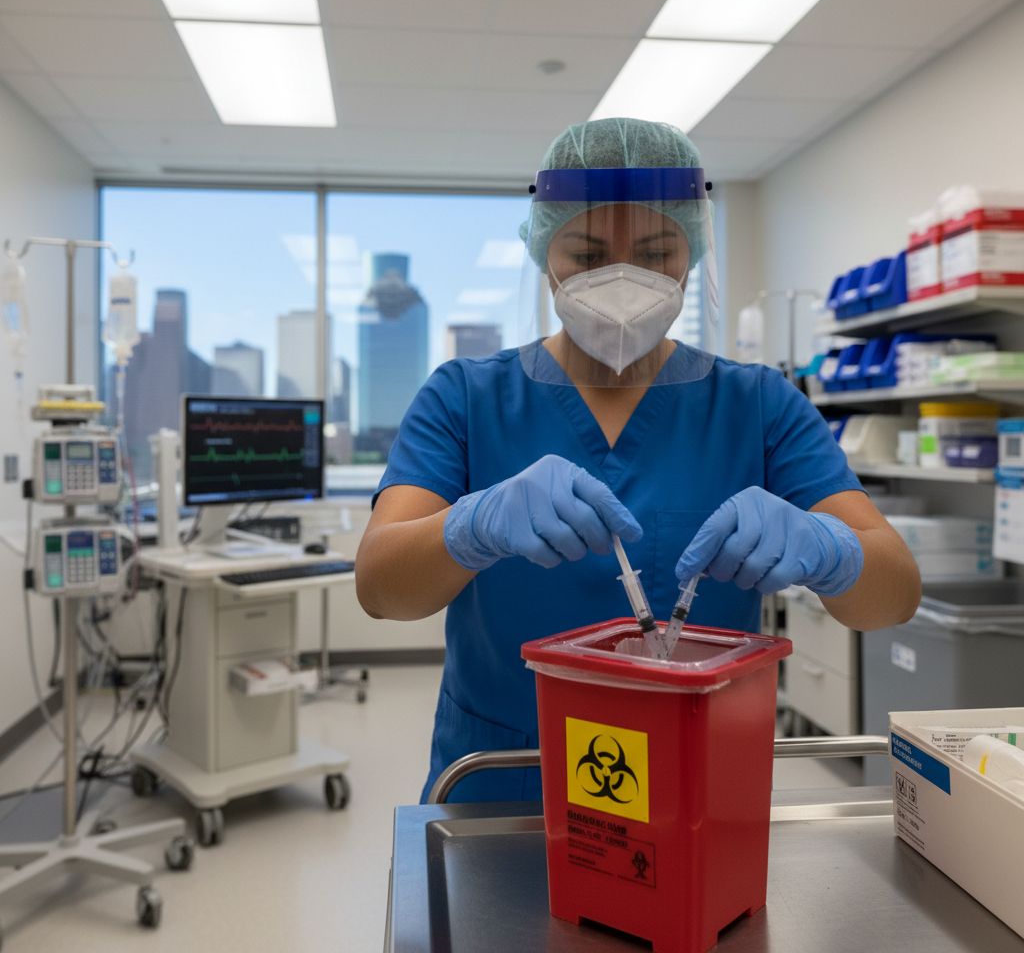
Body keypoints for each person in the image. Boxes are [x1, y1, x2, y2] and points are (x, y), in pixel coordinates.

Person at [356, 117, 920, 803]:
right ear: (543, 254)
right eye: (586, 256)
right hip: (504, 786)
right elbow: (381, 588)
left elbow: (894, 595)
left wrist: (834, 553)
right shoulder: (465, 398)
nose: (623, 282)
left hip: (694, 792)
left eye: (657, 254)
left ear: (693, 254)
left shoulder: (758, 406)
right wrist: (469, 528)